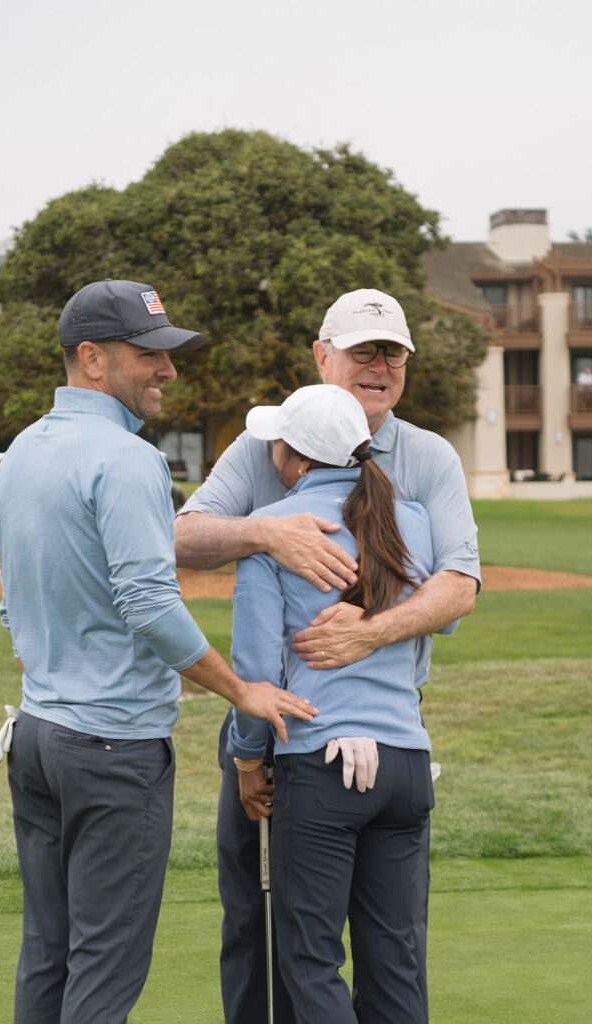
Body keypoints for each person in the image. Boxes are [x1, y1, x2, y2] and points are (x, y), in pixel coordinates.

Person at [0, 279, 317, 1024]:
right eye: (148, 355)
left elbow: (13, 601)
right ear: (92, 359)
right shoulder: (129, 459)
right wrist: (240, 690)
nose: (167, 371)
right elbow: (148, 603)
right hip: (113, 750)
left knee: (49, 950)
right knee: (106, 964)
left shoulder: (21, 453)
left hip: (38, 738)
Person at [174, 288, 481, 1024]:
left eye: (391, 354)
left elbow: (459, 587)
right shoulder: (282, 466)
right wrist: (263, 535)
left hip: (295, 739)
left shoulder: (426, 458)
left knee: (311, 953)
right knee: (268, 924)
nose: (378, 366)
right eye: (361, 351)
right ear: (322, 356)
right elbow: (181, 537)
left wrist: (367, 629)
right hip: (397, 747)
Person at [230, 383, 451, 1023]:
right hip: (407, 764)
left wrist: (248, 761)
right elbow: (444, 620)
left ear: (295, 459)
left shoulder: (273, 531)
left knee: (309, 961)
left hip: (320, 766)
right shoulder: (408, 516)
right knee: (395, 962)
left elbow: (255, 672)